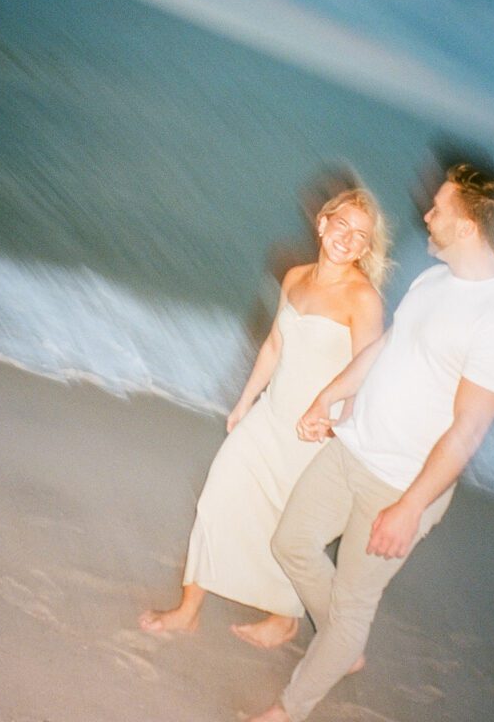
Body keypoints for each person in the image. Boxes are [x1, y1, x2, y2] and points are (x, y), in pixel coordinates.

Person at [250, 162, 494, 722]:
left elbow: (467, 431)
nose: (426, 215)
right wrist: (327, 397)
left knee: (353, 605)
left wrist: (410, 507)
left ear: (469, 227)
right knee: (291, 542)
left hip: (401, 484)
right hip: (351, 448)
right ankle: (343, 644)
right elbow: (382, 352)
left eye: (440, 210)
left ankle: (290, 708)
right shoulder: (433, 281)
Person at [139, 187, 391, 649]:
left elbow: (367, 374)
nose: (348, 240)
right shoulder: (296, 277)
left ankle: (284, 617)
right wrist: (243, 402)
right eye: (342, 226)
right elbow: (275, 345)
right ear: (322, 223)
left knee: (287, 529)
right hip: (270, 417)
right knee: (217, 498)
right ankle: (188, 611)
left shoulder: (363, 299)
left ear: (366, 248)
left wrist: (339, 428)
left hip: (315, 435)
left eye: (361, 237)